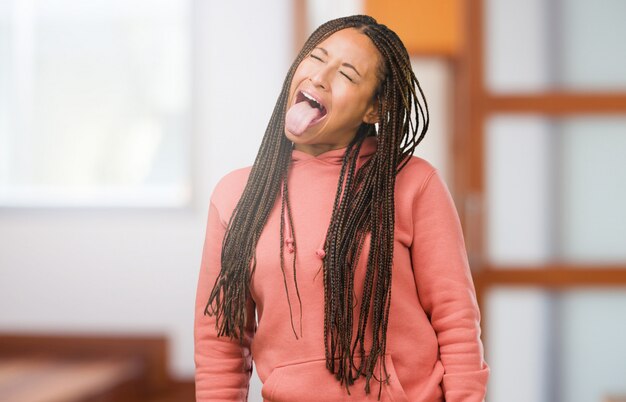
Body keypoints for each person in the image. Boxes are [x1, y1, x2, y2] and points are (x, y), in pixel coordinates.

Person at [194, 14, 489, 402]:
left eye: (347, 75)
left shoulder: (414, 183)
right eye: (316, 57)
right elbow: (221, 342)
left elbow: (456, 321)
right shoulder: (236, 195)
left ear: (373, 109)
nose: (319, 76)